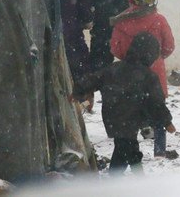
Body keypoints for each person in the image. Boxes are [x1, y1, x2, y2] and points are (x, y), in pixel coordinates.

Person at [74, 32, 174, 174]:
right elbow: (156, 103)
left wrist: (78, 91)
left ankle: (117, 178)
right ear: (150, 55)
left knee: (123, 147)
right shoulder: (148, 76)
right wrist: (166, 121)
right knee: (128, 147)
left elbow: (93, 79)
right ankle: (134, 179)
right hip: (132, 119)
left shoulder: (114, 69)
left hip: (112, 116)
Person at [110, 0, 178, 160]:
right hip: (155, 70)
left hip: (129, 73)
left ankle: (131, 150)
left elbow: (114, 48)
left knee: (131, 113)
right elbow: (169, 45)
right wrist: (158, 57)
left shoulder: (121, 21)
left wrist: (127, 59)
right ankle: (159, 151)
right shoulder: (159, 20)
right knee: (158, 109)